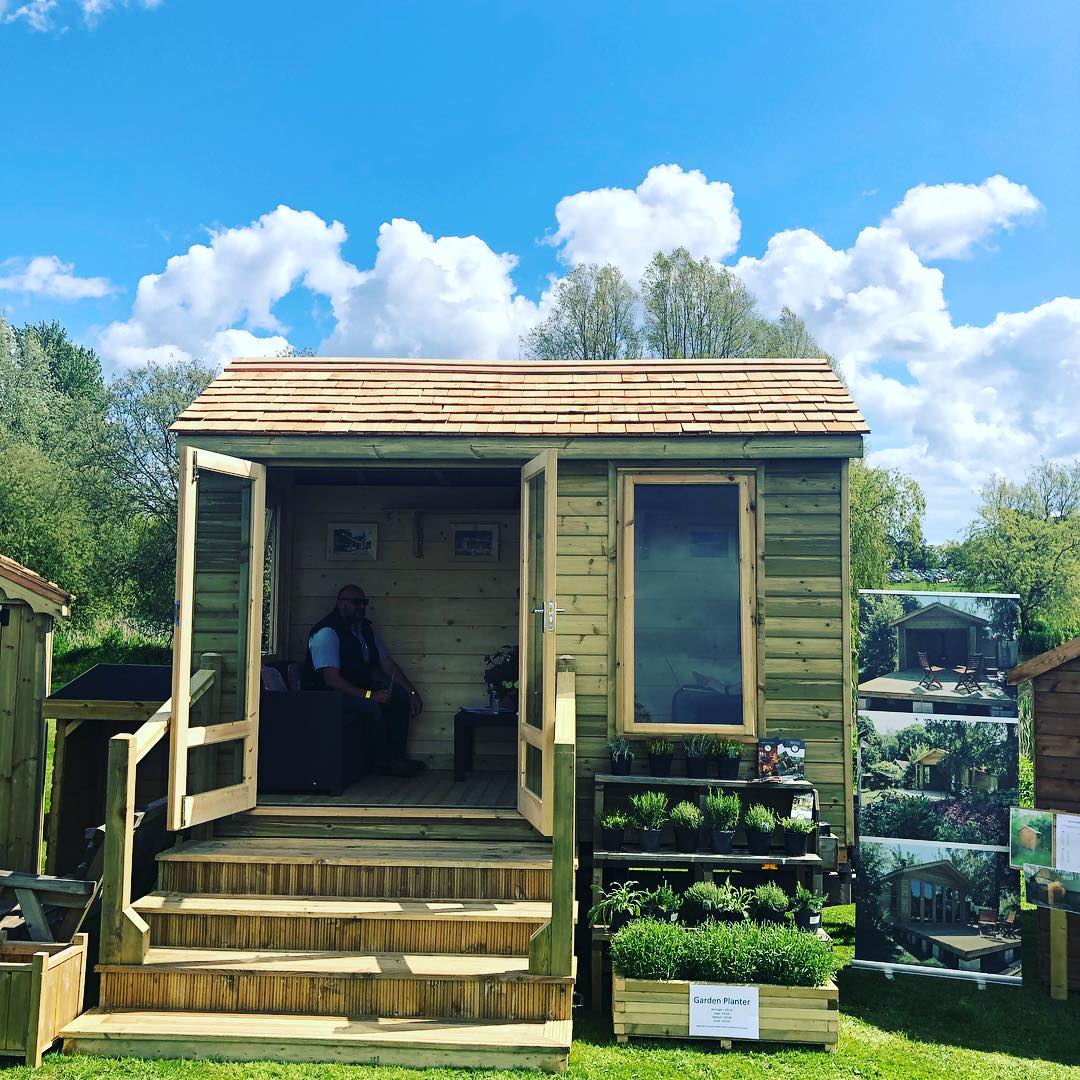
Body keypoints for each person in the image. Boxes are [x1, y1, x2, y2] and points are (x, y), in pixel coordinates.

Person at [302, 584, 426, 777]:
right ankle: (383, 762)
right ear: (341, 604)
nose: (361, 607)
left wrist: (412, 692)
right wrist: (371, 695)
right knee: (371, 707)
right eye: (355, 602)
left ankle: (396, 757)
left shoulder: (364, 630)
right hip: (327, 697)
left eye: (364, 602)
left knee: (399, 698)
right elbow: (331, 680)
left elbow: (387, 664)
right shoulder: (327, 632)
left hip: (357, 689)